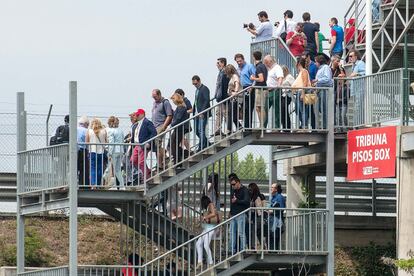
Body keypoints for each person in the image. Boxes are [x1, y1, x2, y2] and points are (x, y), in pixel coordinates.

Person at [130, 109, 157, 181]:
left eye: (138, 115)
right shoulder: (137, 124)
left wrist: (148, 142)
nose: (137, 116)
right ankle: (147, 171)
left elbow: (154, 133)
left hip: (143, 144)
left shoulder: (147, 122)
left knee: (141, 162)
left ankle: (146, 177)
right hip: (136, 145)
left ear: (142, 114)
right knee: (133, 160)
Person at [196, 195, 219, 270]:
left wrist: (205, 217)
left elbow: (213, 214)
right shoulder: (207, 207)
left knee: (206, 245)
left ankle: (211, 262)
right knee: (198, 243)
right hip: (206, 227)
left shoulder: (210, 204)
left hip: (210, 228)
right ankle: (200, 262)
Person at [151, 89, 173, 168]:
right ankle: (161, 162)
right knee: (156, 146)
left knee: (157, 145)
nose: (154, 98)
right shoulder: (155, 103)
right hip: (154, 127)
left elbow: (169, 115)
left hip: (160, 125)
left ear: (159, 94)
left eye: (155, 96)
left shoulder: (165, 102)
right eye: (153, 97)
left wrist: (164, 126)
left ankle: (164, 159)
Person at [234, 53, 256, 128]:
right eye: (237, 61)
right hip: (243, 88)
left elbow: (255, 78)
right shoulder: (238, 69)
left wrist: (252, 87)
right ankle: (246, 126)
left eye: (240, 61)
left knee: (249, 108)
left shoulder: (250, 66)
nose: (239, 63)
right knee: (244, 108)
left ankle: (248, 126)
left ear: (243, 59)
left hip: (250, 87)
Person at [229, 175, 250, 254]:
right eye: (231, 185)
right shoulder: (233, 190)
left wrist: (237, 200)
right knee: (232, 232)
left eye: (234, 184)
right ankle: (231, 250)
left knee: (241, 232)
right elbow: (232, 202)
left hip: (241, 214)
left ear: (238, 182)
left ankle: (243, 249)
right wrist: (230, 213)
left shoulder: (244, 190)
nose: (233, 186)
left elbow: (247, 202)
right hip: (233, 214)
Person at [263, 55, 283, 129]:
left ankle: (277, 127)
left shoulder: (277, 67)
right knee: (265, 109)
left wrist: (278, 86)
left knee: (276, 110)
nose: (265, 64)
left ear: (270, 61)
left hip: (275, 90)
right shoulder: (269, 69)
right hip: (269, 91)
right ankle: (263, 126)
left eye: (266, 62)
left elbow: (280, 77)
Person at [313, 55, 334, 129]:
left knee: (325, 109)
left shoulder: (325, 67)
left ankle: (327, 126)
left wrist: (318, 81)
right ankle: (325, 126)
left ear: (319, 62)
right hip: (320, 91)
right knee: (321, 109)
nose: (315, 63)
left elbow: (327, 79)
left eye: (316, 62)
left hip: (325, 90)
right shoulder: (320, 69)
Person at [292, 57, 313, 129]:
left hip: (301, 92)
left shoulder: (304, 71)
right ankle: (303, 124)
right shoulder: (301, 72)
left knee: (303, 110)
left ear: (299, 64)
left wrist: (302, 93)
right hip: (299, 92)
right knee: (298, 110)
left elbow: (305, 82)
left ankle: (304, 126)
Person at [86, 118, 107, 187]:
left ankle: (93, 184)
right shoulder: (104, 131)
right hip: (102, 152)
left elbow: (87, 142)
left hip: (92, 151)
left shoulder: (89, 131)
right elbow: (107, 142)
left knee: (93, 168)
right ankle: (98, 184)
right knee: (100, 168)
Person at [169, 92, 189, 165]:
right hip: (178, 128)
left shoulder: (181, 107)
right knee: (173, 144)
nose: (173, 101)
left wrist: (172, 125)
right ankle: (182, 155)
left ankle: (178, 160)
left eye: (173, 99)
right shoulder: (179, 107)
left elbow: (178, 118)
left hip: (180, 128)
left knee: (174, 144)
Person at [192, 75, 211, 152]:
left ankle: (201, 146)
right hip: (196, 114)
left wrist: (202, 111)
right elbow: (196, 102)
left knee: (201, 130)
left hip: (202, 114)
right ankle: (206, 143)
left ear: (199, 81)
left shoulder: (204, 89)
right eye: (193, 84)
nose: (195, 85)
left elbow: (206, 100)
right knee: (196, 130)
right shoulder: (197, 90)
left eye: (196, 83)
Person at [250, 51, 268, 128]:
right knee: (258, 107)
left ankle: (262, 125)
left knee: (260, 107)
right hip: (261, 88)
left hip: (260, 89)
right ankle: (262, 125)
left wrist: (253, 78)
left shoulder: (259, 67)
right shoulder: (262, 66)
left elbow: (261, 79)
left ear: (254, 57)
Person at [106, 116, 124, 189]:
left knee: (115, 170)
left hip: (114, 151)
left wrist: (109, 153)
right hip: (121, 150)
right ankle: (121, 185)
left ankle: (116, 186)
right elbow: (122, 140)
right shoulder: (121, 130)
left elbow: (111, 143)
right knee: (118, 170)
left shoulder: (111, 131)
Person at [224, 64, 243, 133]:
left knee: (230, 112)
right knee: (234, 114)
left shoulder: (235, 76)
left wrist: (235, 91)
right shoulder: (231, 77)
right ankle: (239, 126)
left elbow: (237, 84)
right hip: (233, 97)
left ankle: (229, 129)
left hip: (236, 98)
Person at [214, 57, 229, 136]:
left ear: (223, 63)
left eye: (218, 63)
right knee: (218, 113)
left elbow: (224, 86)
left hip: (223, 98)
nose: (217, 65)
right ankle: (217, 129)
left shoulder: (225, 73)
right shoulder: (220, 73)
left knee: (225, 113)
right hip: (219, 98)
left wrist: (224, 97)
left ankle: (228, 129)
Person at [331, 55, 348, 127]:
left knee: (340, 114)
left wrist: (341, 68)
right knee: (334, 112)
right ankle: (335, 126)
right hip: (332, 90)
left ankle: (341, 127)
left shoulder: (340, 69)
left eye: (339, 61)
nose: (338, 63)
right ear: (333, 61)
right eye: (337, 61)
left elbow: (344, 79)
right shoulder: (329, 69)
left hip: (339, 90)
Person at [248, 183, 266, 250]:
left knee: (253, 231)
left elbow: (261, 208)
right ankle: (263, 246)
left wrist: (262, 217)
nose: (249, 191)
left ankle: (253, 247)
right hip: (255, 217)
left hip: (258, 217)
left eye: (250, 189)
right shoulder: (252, 197)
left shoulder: (258, 197)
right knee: (258, 232)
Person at [269, 183, 286, 250]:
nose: (271, 188)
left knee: (275, 237)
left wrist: (272, 211)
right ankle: (272, 251)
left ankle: (274, 252)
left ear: (276, 189)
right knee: (272, 237)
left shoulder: (279, 197)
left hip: (277, 221)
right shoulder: (273, 197)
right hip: (272, 220)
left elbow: (281, 209)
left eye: (272, 187)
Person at [281, 65, 296, 130]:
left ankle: (288, 126)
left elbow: (294, 85)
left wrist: (289, 89)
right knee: (282, 110)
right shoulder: (282, 78)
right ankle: (285, 126)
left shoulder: (289, 77)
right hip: (283, 95)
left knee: (284, 108)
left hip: (288, 95)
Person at [77, 116, 89, 187]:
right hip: (83, 150)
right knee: (84, 169)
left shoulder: (74, 129)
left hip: (74, 150)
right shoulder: (86, 131)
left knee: (75, 167)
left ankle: (74, 183)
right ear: (85, 124)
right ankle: (83, 184)